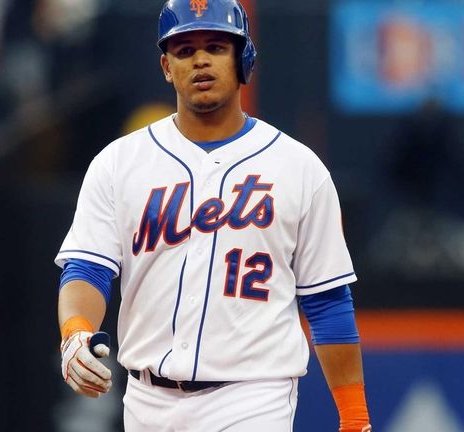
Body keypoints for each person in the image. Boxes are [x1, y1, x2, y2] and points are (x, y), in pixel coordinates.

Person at [54, 1, 372, 430]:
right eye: (184, 50)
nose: (200, 59)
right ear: (166, 66)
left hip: (253, 396)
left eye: (216, 46)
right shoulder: (118, 162)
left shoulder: (299, 168)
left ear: (243, 59)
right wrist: (75, 330)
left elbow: (327, 300)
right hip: (147, 399)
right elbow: (87, 268)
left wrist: (355, 417)